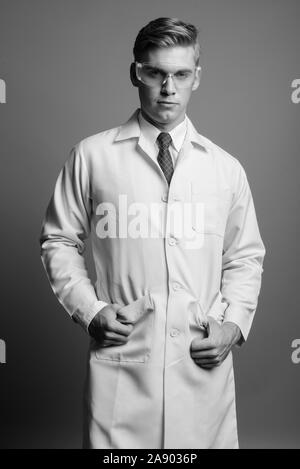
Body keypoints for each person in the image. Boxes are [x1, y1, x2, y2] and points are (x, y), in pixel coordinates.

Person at [39, 17, 266, 449]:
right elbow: (59, 240)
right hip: (124, 360)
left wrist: (232, 325)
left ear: (197, 77)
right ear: (135, 73)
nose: (169, 88)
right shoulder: (91, 156)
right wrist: (91, 310)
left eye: (181, 74)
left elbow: (245, 257)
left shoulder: (225, 168)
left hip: (200, 358)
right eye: (156, 73)